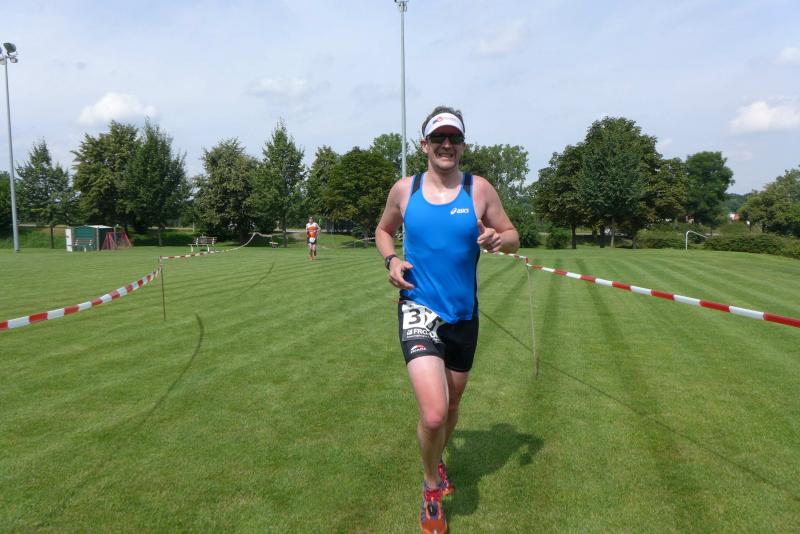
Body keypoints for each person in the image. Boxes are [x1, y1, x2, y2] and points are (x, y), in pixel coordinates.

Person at [375, 106, 519, 534]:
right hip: (418, 308)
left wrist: (497, 239)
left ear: (463, 145)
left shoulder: (479, 189)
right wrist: (391, 259)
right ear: (424, 145)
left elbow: (512, 236)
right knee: (435, 414)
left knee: (453, 406)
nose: (447, 145)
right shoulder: (405, 190)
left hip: (463, 315)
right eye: (439, 138)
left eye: (454, 138)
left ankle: (436, 458)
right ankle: (431, 486)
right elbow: (383, 231)